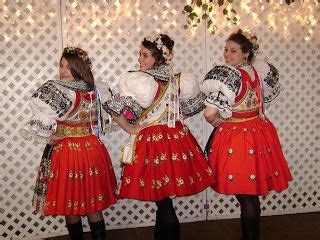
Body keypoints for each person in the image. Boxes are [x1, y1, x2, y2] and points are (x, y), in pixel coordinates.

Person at [103, 34, 215, 240]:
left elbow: (114, 108)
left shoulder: (142, 82)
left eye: (145, 55)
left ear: (159, 58)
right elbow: (187, 109)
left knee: (163, 201)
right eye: (140, 54)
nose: (139, 59)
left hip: (154, 143)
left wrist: (130, 128)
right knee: (163, 200)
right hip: (176, 139)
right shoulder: (176, 80)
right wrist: (131, 128)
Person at [201, 29, 292, 240]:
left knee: (246, 195)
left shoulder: (230, 76)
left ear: (246, 53)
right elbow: (262, 103)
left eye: (233, 51)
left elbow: (208, 113)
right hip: (258, 132)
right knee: (250, 194)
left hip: (238, 138)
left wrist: (217, 121)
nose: (227, 54)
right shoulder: (257, 73)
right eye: (226, 49)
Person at [22, 47, 117, 240]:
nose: (63, 70)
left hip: (75, 153)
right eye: (61, 65)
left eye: (69, 66)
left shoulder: (96, 90)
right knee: (73, 205)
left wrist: (51, 135)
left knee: (89, 206)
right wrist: (49, 135)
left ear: (80, 68)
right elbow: (43, 121)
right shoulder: (68, 90)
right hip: (85, 150)